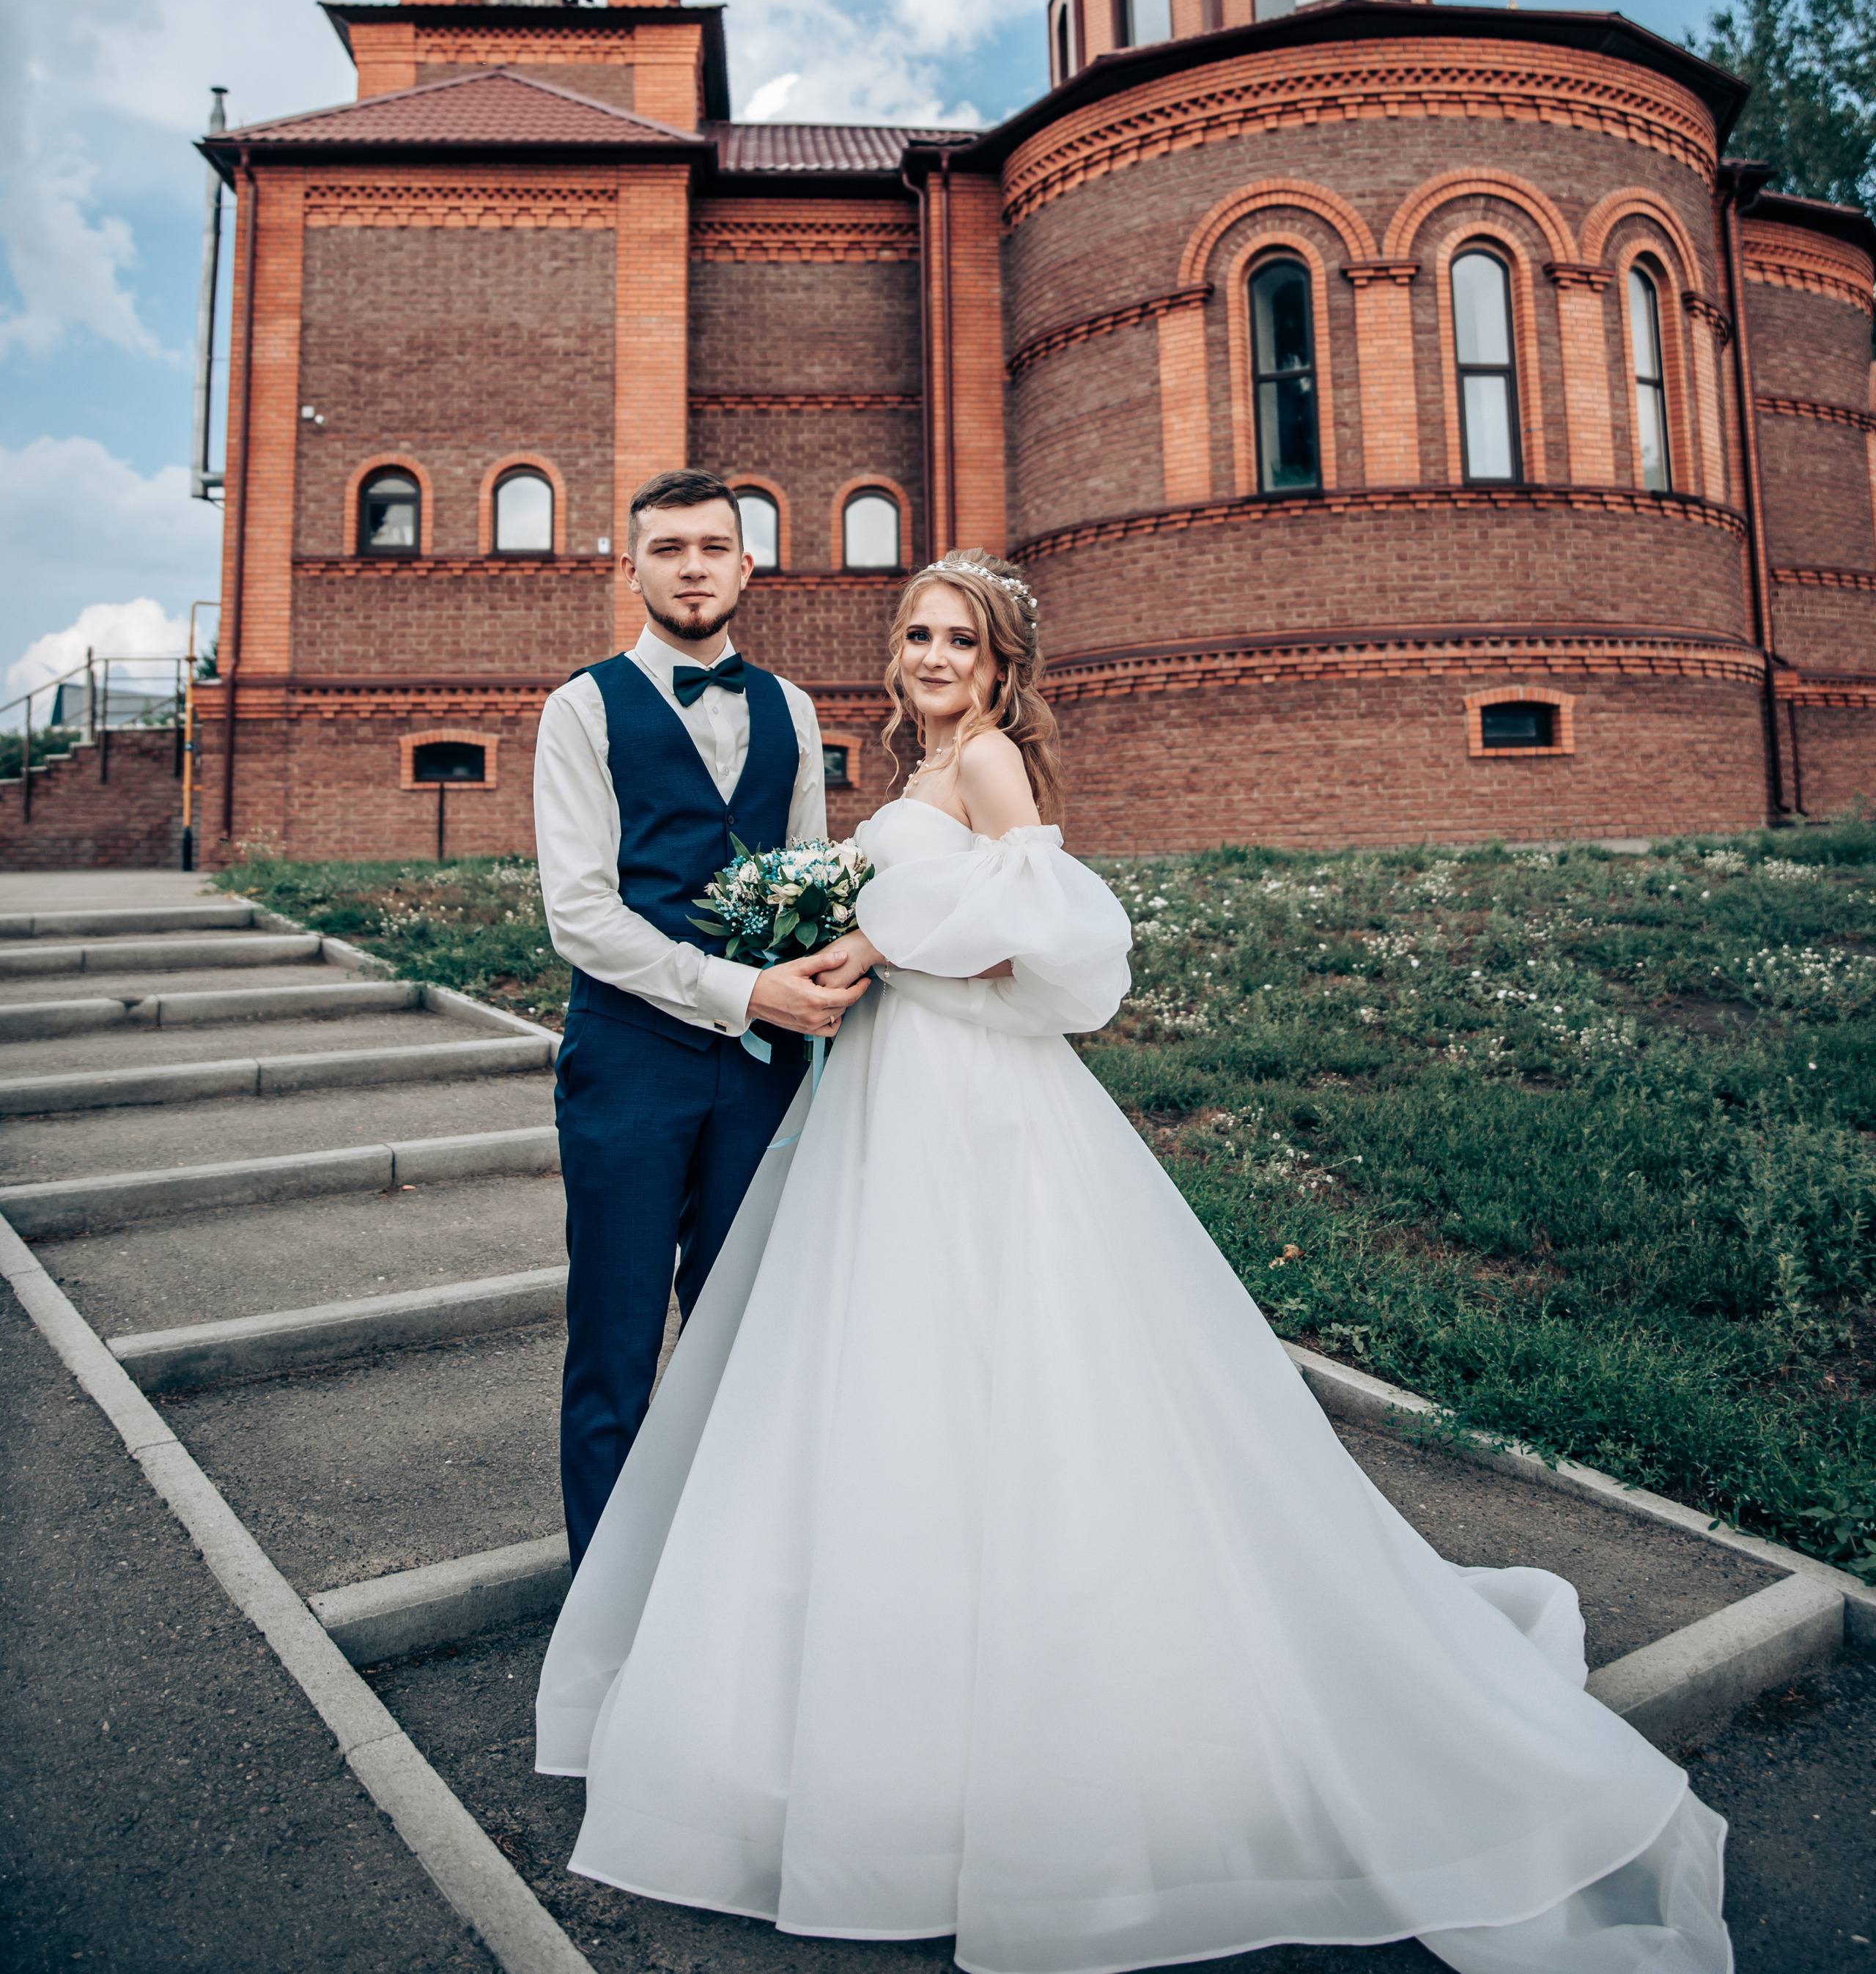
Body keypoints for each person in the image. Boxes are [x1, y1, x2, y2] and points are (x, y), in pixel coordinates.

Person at [536, 548, 1731, 1974]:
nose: (929, 656)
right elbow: (907, 924)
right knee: (888, 1386)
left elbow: (1050, 946)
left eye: (957, 641)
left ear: (995, 669)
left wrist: (892, 941)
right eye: (913, 633)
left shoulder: (984, 772)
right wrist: (824, 946)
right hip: (879, 1100)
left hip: (971, 1110)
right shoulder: (912, 782)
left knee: (1012, 1373)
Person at [532, 469, 864, 1571]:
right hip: (629, 1066)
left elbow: (813, 881)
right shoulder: (581, 708)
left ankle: (718, 1602)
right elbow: (580, 914)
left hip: (767, 1077)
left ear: (747, 565)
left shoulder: (795, 710)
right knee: (615, 1352)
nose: (691, 567)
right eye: (667, 548)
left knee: (743, 1346)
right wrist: (739, 991)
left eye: (712, 547)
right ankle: (603, 1617)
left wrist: (811, 998)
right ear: (631, 567)